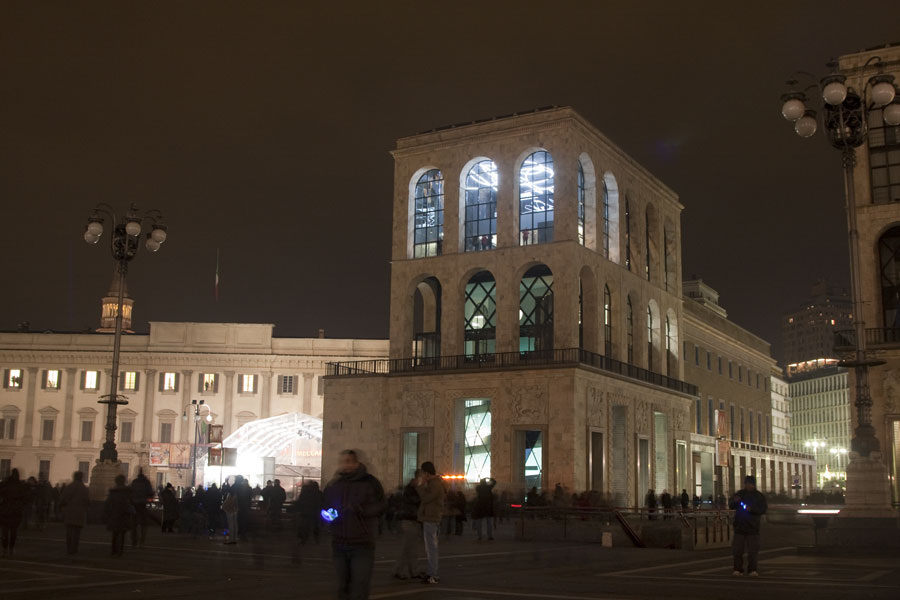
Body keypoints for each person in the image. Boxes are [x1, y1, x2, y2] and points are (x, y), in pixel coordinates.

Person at [322, 449, 386, 600]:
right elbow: (324, 507)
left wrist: (360, 510)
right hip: (339, 543)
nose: (345, 465)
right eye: (343, 461)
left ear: (357, 463)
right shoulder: (334, 484)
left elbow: (382, 505)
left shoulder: (370, 483)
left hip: (362, 544)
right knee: (342, 587)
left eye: (349, 461)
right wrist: (329, 516)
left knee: (360, 587)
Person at [729, 475, 768, 577]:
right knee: (737, 551)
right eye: (746, 484)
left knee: (752, 551)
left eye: (750, 484)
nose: (748, 486)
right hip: (740, 526)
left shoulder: (759, 496)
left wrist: (752, 509)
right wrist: (734, 501)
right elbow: (731, 505)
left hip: (753, 527)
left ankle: (752, 570)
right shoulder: (740, 494)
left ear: (753, 485)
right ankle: (738, 569)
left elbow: (763, 509)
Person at [416, 461, 445, 585]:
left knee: (431, 548)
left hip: (431, 518)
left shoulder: (435, 484)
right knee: (430, 547)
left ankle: (433, 575)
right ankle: (431, 572)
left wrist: (420, 485)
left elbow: (426, 498)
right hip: (430, 517)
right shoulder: (434, 483)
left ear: (427, 473)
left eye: (423, 473)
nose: (421, 475)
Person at [393, 474, 421, 580]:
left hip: (413, 520)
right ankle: (399, 571)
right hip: (409, 520)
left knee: (413, 548)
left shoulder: (410, 490)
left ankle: (413, 571)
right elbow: (416, 501)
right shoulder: (411, 491)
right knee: (407, 548)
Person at [0, 469, 30, 558]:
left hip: (5, 510)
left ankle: (4, 549)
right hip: (16, 511)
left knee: (4, 531)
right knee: (13, 531)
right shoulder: (21, 486)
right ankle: (11, 549)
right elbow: (26, 498)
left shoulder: (5, 484)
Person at [59, 471, 90, 554]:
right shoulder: (84, 489)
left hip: (69, 512)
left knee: (69, 532)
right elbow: (87, 501)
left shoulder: (69, 487)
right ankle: (74, 549)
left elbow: (62, 499)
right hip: (80, 513)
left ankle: (69, 548)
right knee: (77, 533)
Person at [103, 474, 133, 557]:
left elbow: (108, 504)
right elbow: (131, 503)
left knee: (115, 534)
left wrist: (107, 513)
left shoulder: (113, 492)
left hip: (115, 515)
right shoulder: (128, 492)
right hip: (124, 515)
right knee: (122, 534)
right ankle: (120, 551)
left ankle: (113, 550)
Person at [129, 469, 154, 548]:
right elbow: (150, 493)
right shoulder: (146, 483)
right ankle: (142, 541)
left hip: (134, 505)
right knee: (143, 524)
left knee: (134, 524)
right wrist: (149, 499)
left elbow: (130, 493)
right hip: (143, 504)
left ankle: (134, 541)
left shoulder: (134, 482)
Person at [296, 480, 324, 545]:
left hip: (305, 512)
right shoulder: (319, 493)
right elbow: (322, 502)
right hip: (316, 512)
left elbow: (300, 502)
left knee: (304, 526)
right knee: (316, 526)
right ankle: (316, 539)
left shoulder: (305, 493)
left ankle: (303, 540)